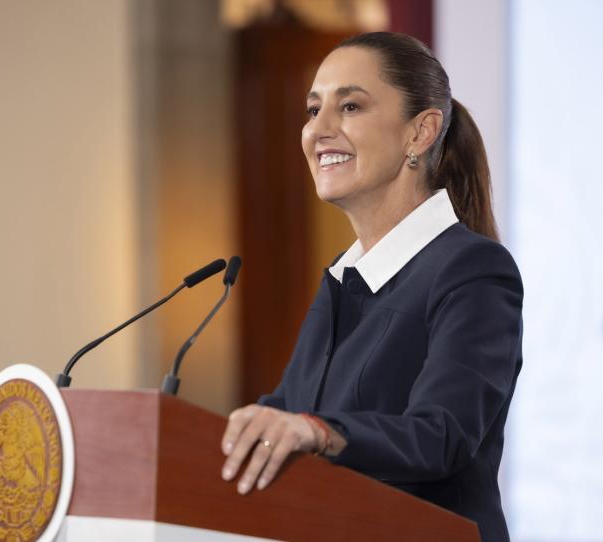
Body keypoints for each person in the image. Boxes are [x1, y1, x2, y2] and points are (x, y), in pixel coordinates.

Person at [219, 32, 523, 542]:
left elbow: (441, 435)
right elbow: (284, 413)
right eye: (313, 110)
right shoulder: (342, 279)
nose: (318, 130)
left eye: (350, 106)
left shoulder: (473, 270)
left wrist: (315, 432)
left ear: (420, 132)